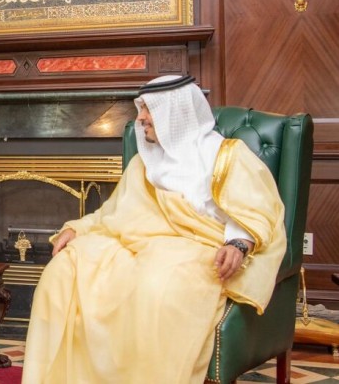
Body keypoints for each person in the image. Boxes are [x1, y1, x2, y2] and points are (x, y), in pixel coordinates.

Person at [21, 75, 286, 383]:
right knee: (63, 270)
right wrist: (77, 229)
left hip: (199, 246)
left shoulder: (227, 155)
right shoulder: (145, 163)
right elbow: (113, 211)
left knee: (156, 286)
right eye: (142, 109)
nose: (141, 118)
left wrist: (238, 243)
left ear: (175, 112)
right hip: (137, 241)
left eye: (149, 109)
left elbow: (258, 209)